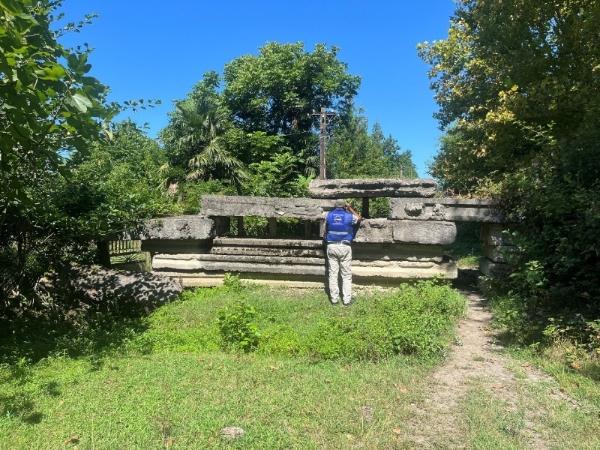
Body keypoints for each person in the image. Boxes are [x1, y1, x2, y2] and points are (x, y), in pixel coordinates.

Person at [324, 199, 362, 305]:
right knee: (346, 275)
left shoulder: (328, 215)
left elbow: (325, 227)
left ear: (335, 206)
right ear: (344, 206)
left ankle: (334, 299)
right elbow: (359, 218)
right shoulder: (349, 216)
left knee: (333, 273)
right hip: (344, 246)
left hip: (331, 246)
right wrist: (350, 208)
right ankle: (346, 300)